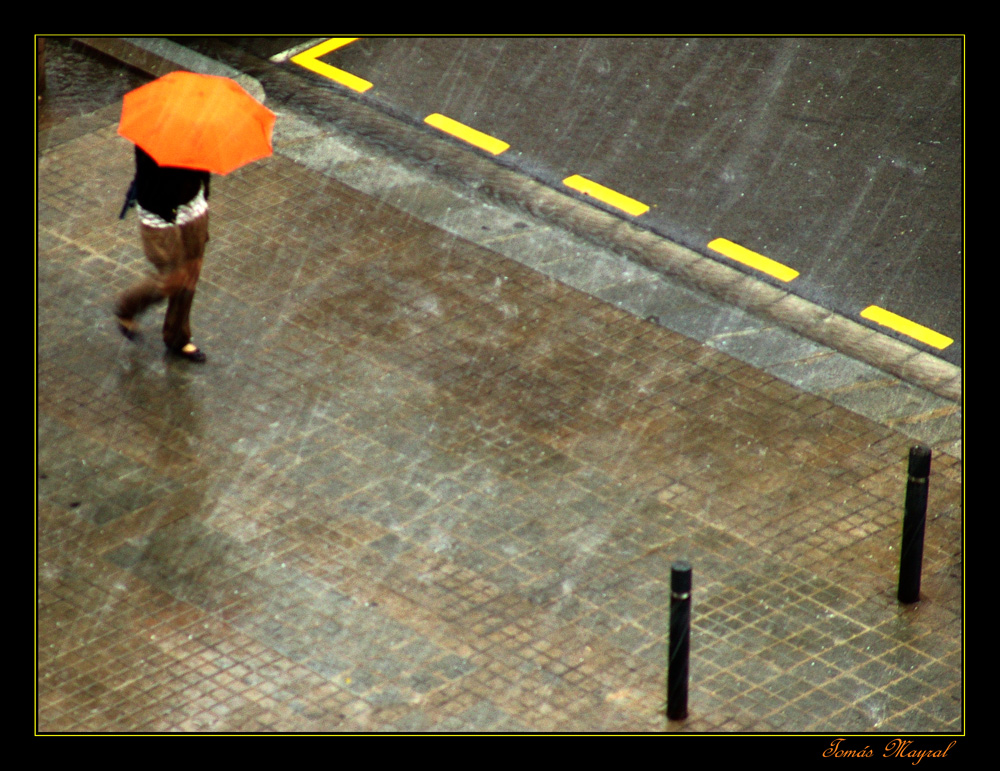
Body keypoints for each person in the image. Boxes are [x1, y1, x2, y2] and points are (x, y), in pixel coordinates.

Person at [115, 146, 211, 362]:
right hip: (160, 211)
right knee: (173, 278)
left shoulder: (199, 125)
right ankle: (126, 307)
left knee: (191, 273)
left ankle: (177, 337)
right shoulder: (157, 131)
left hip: (193, 204)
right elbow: (153, 177)